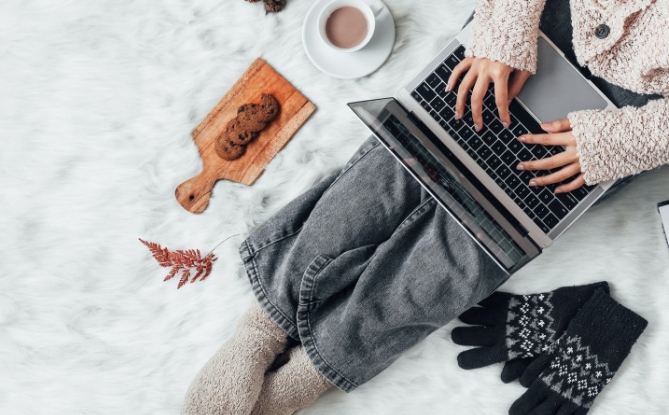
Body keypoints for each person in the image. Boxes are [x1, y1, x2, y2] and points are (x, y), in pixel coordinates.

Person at [181, 0, 669, 413]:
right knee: (374, 189)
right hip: (526, 39)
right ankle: (260, 331)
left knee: (452, 266)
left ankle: (313, 371)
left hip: (617, 127)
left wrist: (620, 142)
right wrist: (504, 28)